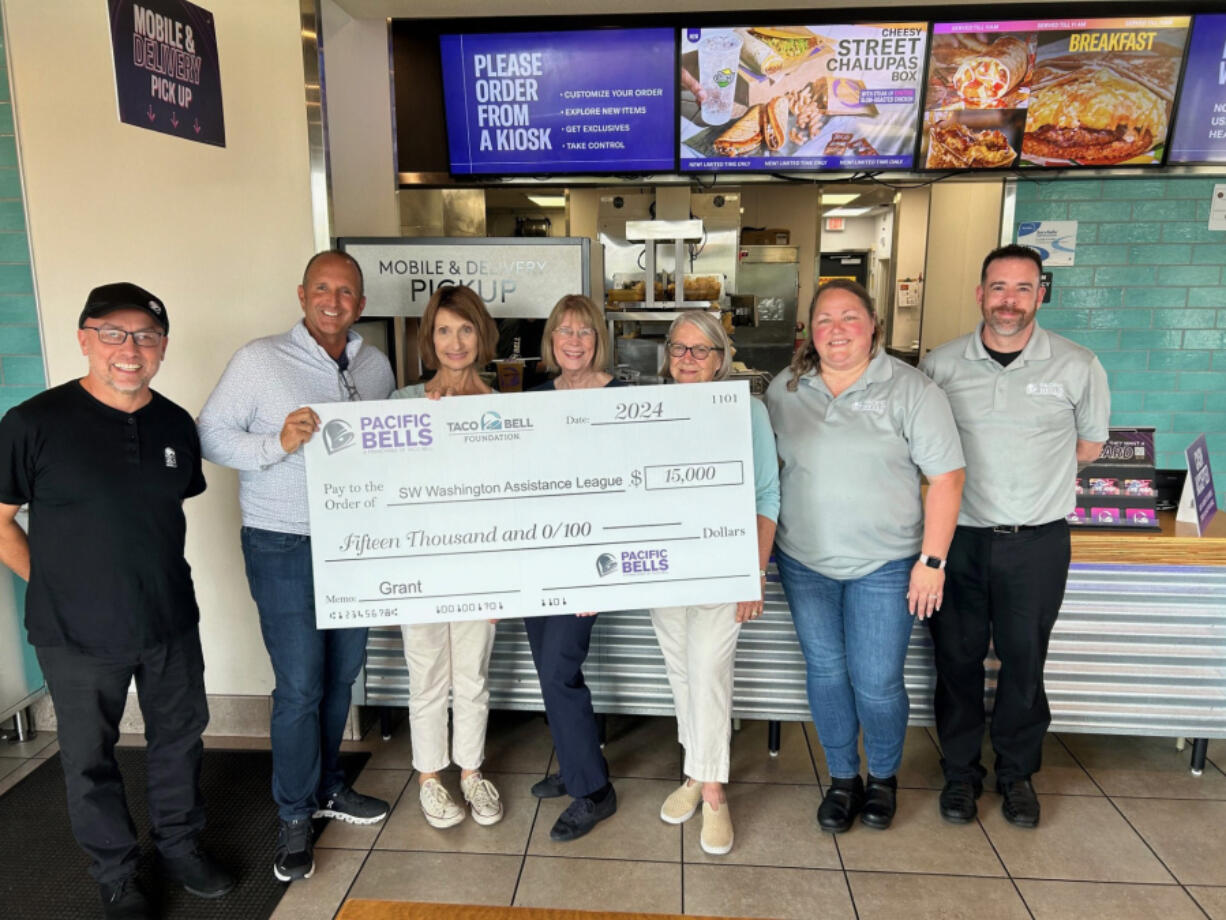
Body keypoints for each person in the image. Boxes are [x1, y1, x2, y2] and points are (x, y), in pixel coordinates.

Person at [0, 283, 234, 919]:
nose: (130, 349)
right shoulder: (32, 424)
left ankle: (181, 847)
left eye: (146, 336)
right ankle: (116, 873)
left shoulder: (174, 424)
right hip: (72, 633)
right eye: (114, 334)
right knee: (88, 758)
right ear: (85, 340)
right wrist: (48, 582)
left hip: (168, 622)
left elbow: (150, 517)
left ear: (162, 347)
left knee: (179, 741)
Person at [198, 250, 394, 882]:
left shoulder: (376, 364)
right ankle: (292, 813)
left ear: (360, 304)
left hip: (354, 544)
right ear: (303, 294)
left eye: (347, 292)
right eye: (323, 289)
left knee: (341, 677)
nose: (334, 301)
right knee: (302, 683)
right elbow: (209, 434)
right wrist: (276, 443)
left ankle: (330, 786)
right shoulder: (260, 361)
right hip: (283, 542)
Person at [920, 244, 1108, 829]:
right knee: (956, 660)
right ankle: (959, 774)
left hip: (1038, 543)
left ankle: (1016, 774)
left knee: (1025, 662)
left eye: (1022, 288)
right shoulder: (940, 365)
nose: (1009, 300)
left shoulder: (1078, 365)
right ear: (980, 294)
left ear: (1040, 294)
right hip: (959, 541)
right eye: (998, 287)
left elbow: (1088, 448)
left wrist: (1031, 487)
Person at [766, 279, 965, 834]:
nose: (836, 330)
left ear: (873, 323)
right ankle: (842, 778)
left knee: (877, 681)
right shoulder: (785, 390)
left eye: (849, 317)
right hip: (804, 562)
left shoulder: (912, 390)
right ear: (809, 329)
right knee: (826, 675)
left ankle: (882, 777)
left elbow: (948, 478)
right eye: (824, 319)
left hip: (885, 565)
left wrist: (932, 561)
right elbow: (763, 477)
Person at [649, 311, 779, 856]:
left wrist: (755, 572)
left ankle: (714, 790)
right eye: (679, 348)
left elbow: (767, 495)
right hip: (664, 571)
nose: (688, 359)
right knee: (682, 674)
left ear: (722, 359)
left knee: (709, 673)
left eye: (701, 350)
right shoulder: (649, 412)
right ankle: (693, 773)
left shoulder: (745, 410)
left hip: (724, 569)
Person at [392, 284, 504, 829]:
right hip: (420, 566)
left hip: (481, 567)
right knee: (427, 673)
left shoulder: (502, 409)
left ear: (481, 335)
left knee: (473, 675)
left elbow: (515, 496)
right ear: (428, 338)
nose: (455, 342)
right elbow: (384, 490)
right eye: (443, 330)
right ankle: (431, 777)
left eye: (465, 329)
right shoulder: (403, 405)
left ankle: (471, 771)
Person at [524, 295, 623, 841]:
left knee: (560, 669)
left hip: (587, 562)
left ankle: (594, 791)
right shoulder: (534, 398)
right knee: (548, 668)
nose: (574, 340)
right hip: (538, 558)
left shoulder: (620, 397)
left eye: (584, 331)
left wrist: (598, 571)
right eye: (564, 330)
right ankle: (573, 763)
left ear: (597, 339)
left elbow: (626, 489)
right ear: (551, 340)